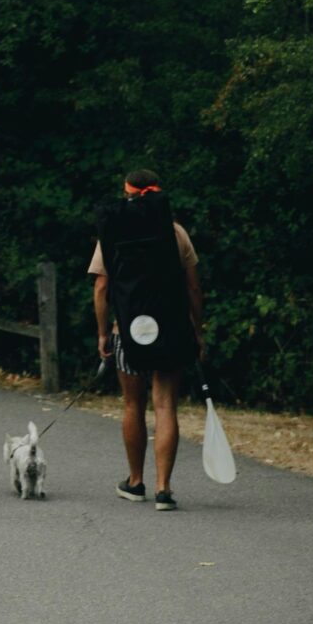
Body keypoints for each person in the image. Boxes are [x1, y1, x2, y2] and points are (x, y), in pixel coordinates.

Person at [88, 164, 204, 510]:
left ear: (126, 192)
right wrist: (196, 331)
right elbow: (194, 288)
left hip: (127, 332)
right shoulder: (177, 233)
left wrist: (102, 332)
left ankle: (135, 482)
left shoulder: (113, 231)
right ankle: (164, 489)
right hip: (171, 330)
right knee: (166, 404)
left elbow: (101, 287)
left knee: (132, 404)